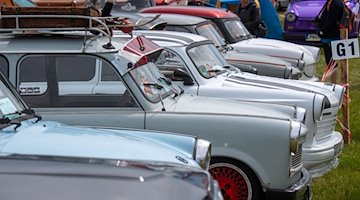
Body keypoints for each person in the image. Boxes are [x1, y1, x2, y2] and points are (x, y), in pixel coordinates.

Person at [316, 0, 344, 81]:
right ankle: (333, 82)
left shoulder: (336, 4)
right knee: (330, 62)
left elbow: (331, 22)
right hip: (328, 37)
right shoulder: (330, 2)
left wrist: (321, 31)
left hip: (332, 37)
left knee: (332, 63)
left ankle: (333, 83)